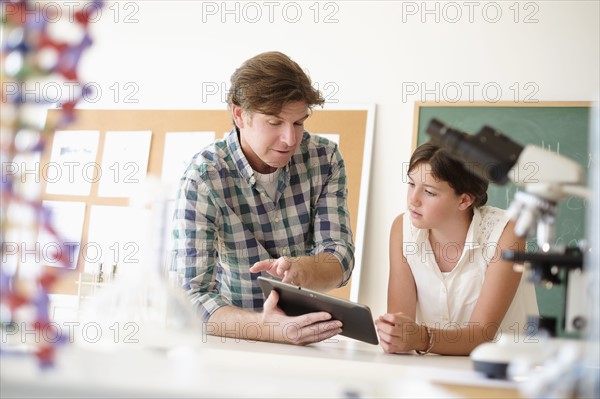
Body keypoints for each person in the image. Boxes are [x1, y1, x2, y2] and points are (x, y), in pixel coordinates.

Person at [172, 51, 354, 345]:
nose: (290, 140)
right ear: (239, 115)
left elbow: (340, 258)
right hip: (232, 338)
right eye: (274, 122)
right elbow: (190, 296)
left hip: (306, 339)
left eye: (298, 123)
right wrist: (266, 327)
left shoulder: (325, 159)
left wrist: (303, 269)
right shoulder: (203, 177)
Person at [376, 142, 538, 355]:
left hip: (507, 369)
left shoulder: (506, 231)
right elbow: (401, 328)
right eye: (411, 184)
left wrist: (420, 338)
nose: (413, 200)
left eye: (430, 192)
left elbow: (481, 335)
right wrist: (393, 334)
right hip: (434, 370)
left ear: (464, 200)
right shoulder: (402, 228)